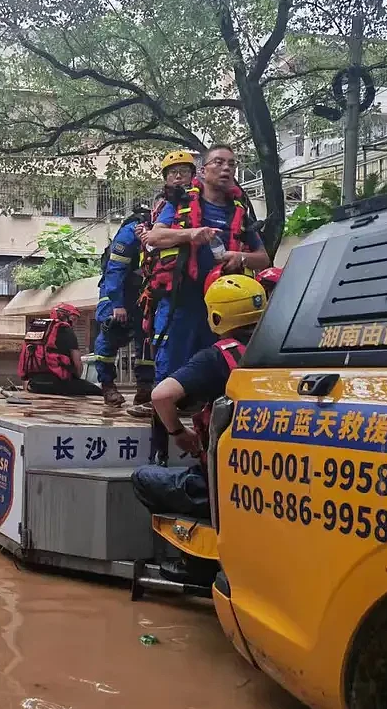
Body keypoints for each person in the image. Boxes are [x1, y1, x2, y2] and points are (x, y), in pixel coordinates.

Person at [138, 144, 271, 463]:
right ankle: (161, 451)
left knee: (220, 378)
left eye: (232, 164)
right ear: (204, 169)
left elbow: (263, 257)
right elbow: (154, 238)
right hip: (183, 301)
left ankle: (213, 456)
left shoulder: (240, 207)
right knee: (168, 373)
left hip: (226, 309)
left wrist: (236, 256)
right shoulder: (180, 202)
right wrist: (191, 234)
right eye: (219, 163)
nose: (226, 169)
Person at [131, 274, 267, 517]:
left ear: (216, 317)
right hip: (268, 481)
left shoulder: (216, 357)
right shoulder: (283, 345)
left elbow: (161, 396)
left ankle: (193, 550)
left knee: (143, 477)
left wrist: (178, 433)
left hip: (225, 486)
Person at [93, 203, 155, 408]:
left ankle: (144, 390)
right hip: (116, 292)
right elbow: (115, 270)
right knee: (111, 334)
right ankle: (108, 386)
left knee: (146, 340)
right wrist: (118, 305)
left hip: (142, 295)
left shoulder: (168, 230)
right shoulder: (132, 232)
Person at [18, 303, 103, 397]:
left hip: (34, 385)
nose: (74, 324)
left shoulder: (34, 330)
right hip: (60, 383)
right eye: (74, 319)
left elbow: (23, 361)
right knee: (100, 392)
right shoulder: (66, 330)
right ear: (65, 316)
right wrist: (76, 378)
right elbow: (77, 364)